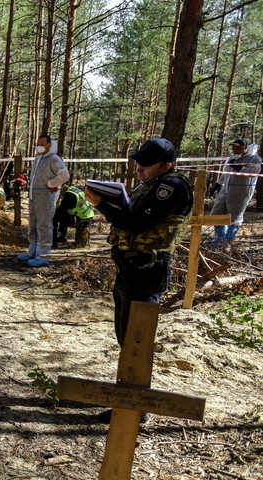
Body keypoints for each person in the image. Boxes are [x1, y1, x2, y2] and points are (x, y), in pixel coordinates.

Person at [85, 137, 191, 424]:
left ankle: (135, 405)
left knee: (136, 339)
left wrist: (102, 205)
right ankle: (129, 397)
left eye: (146, 165)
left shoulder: (172, 187)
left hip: (147, 269)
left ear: (166, 166)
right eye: (138, 162)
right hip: (129, 268)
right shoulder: (150, 184)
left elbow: (135, 222)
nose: (139, 168)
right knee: (125, 335)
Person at [17, 135, 69, 267]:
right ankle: (32, 251)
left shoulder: (53, 159)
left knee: (44, 225)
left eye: (42, 144)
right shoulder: (38, 158)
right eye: (37, 143)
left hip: (45, 197)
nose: (39, 146)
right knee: (33, 224)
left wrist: (52, 184)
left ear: (49, 145)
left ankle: (44, 255)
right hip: (34, 196)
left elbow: (64, 175)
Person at [210, 139, 261, 245]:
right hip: (225, 190)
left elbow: (255, 171)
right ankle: (219, 239)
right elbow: (225, 172)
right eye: (233, 148)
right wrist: (218, 184)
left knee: (234, 217)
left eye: (238, 148)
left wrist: (240, 168)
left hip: (241, 192)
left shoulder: (254, 158)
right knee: (216, 213)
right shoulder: (231, 158)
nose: (235, 150)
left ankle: (228, 242)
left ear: (245, 148)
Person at [52, 181, 95, 246]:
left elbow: (61, 209)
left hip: (82, 220)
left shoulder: (69, 195)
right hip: (89, 217)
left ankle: (54, 242)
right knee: (62, 214)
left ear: (61, 186)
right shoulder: (74, 189)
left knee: (54, 217)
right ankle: (62, 237)